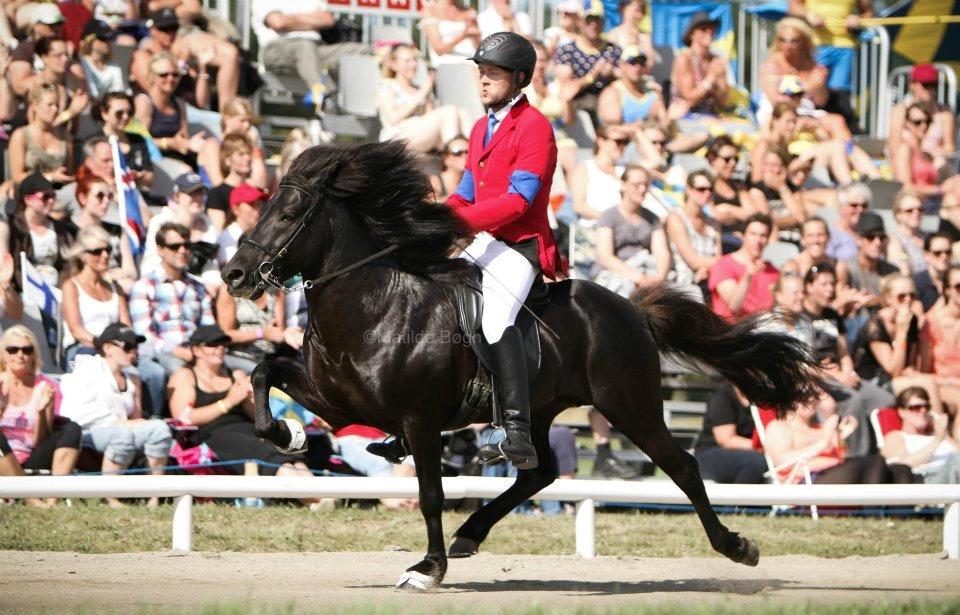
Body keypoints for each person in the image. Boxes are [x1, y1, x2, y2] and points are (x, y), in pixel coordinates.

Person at [443, 32, 559, 469]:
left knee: (494, 320)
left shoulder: (535, 127)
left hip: (521, 246)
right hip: (485, 239)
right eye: (481, 73)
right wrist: (436, 217)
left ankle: (517, 431)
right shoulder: (479, 128)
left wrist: (459, 222)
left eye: (493, 74)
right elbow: (466, 191)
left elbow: (518, 202)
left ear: (520, 78)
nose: (484, 82)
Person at [167, 325, 317, 480]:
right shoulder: (185, 376)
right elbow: (184, 418)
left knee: (288, 452)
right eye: (213, 344)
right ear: (196, 350)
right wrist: (228, 402)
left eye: (223, 344)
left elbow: (257, 416)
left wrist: (251, 399)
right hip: (214, 434)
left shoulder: (236, 374)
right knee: (267, 455)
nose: (220, 348)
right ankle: (314, 498)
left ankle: (321, 497)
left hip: (247, 428)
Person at [59, 323, 173, 507]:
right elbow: (79, 413)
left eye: (135, 347)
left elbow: (135, 418)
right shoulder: (87, 368)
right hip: (88, 433)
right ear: (107, 348)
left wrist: (128, 424)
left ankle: (154, 497)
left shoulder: (133, 377)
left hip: (120, 430)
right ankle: (110, 498)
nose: (132, 352)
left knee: (159, 429)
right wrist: (120, 423)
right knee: (123, 434)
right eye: (127, 346)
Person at [129, 222, 215, 417]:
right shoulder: (145, 286)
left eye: (187, 246)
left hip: (196, 351)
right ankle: (174, 425)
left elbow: (208, 329)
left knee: (238, 368)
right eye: (175, 246)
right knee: (181, 370)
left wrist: (203, 349)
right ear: (160, 250)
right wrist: (178, 351)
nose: (182, 251)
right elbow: (145, 336)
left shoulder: (197, 286)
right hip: (160, 352)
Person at [0, 326, 81, 503]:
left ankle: (52, 501)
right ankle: (32, 500)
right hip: (3, 458)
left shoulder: (45, 386)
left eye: (26, 350)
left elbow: (38, 440)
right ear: (3, 354)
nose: (20, 355)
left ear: (33, 355)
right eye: (13, 349)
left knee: (72, 428)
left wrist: (43, 411)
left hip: (30, 456)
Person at [252, 0, 370, 113]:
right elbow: (278, 23)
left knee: (364, 51)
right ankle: (328, 100)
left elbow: (328, 20)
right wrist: (311, 21)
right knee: (304, 46)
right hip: (276, 49)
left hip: (315, 50)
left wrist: (291, 18)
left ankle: (376, 107)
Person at [852, 275, 943, 406]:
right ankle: (938, 424)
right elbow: (893, 369)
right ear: (888, 299)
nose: (908, 300)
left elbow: (909, 363)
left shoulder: (912, 320)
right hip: (874, 381)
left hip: (899, 378)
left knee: (928, 382)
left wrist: (910, 369)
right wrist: (901, 331)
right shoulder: (875, 325)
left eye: (912, 295)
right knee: (927, 382)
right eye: (901, 296)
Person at [763, 394, 892, 484]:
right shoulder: (779, 426)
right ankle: (873, 515)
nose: (811, 399)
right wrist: (823, 442)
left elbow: (844, 457)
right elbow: (782, 461)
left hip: (836, 473)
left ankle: (897, 518)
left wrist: (840, 437)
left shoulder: (821, 428)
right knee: (875, 461)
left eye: (814, 395)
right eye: (804, 396)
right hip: (806, 481)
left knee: (899, 469)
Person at [376, 43, 474, 153]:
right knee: (449, 111)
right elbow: (393, 119)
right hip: (396, 139)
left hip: (420, 135)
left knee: (462, 113)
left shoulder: (420, 88)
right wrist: (422, 93)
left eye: (415, 60)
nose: (413, 65)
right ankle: (455, 157)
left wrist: (427, 95)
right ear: (394, 65)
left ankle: (475, 156)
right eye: (407, 61)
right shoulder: (387, 86)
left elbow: (431, 118)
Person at [61, 226, 133, 369]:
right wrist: (103, 344)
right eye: (97, 251)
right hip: (83, 347)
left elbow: (126, 325)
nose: (105, 255)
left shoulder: (115, 288)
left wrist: (117, 346)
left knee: (153, 373)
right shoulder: (71, 286)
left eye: (108, 250)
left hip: (115, 349)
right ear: (82, 255)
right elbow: (76, 330)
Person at [593, 165, 670, 297]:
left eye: (646, 184)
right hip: (618, 272)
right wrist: (637, 277)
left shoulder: (652, 219)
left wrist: (659, 278)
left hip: (647, 271)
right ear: (623, 185)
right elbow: (605, 256)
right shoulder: (608, 216)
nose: (643, 189)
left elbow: (662, 253)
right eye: (637, 185)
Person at [836, 211, 900, 343]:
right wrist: (852, 300)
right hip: (855, 333)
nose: (877, 243)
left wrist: (878, 301)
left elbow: (901, 302)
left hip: (887, 330)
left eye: (881, 237)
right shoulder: (846, 267)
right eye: (871, 237)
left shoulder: (892, 271)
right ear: (859, 239)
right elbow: (839, 308)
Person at [788, 0, 872, 96]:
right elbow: (793, 6)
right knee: (811, 90)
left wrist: (858, 19)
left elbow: (868, 12)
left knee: (839, 93)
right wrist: (808, 15)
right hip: (814, 45)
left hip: (845, 47)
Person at [134, 52, 204, 167]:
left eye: (175, 74)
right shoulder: (144, 102)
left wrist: (190, 144)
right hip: (157, 162)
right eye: (164, 75)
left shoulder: (179, 103)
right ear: (152, 76)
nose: (170, 79)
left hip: (180, 159)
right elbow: (139, 142)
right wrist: (168, 143)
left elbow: (183, 138)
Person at [8, 173, 76, 288]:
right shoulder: (14, 228)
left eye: (53, 196)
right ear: (28, 199)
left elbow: (67, 265)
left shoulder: (60, 229)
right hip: (26, 293)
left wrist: (62, 290)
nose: (50, 201)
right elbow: (16, 267)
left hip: (56, 292)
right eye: (45, 197)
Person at [708, 213, 780, 321]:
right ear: (743, 236)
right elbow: (734, 307)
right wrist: (747, 276)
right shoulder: (723, 265)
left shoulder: (773, 271)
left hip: (767, 329)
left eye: (763, 235)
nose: (758, 240)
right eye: (753, 234)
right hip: (733, 331)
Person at [880, 386, 960, 483]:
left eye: (926, 407)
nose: (923, 411)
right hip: (927, 480)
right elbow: (901, 467)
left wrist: (945, 435)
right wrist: (938, 439)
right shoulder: (896, 437)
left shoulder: (940, 435)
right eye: (915, 408)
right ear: (902, 412)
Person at [693, 383, 767, 484]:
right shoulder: (722, 396)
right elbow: (726, 440)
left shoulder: (765, 397)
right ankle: (739, 499)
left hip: (753, 452)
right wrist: (765, 447)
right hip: (711, 453)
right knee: (756, 462)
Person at [553, 8, 621, 117]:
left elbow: (626, 78)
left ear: (603, 24)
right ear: (580, 23)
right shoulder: (567, 50)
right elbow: (567, 87)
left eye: (597, 21)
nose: (593, 25)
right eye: (589, 21)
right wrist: (592, 76)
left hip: (609, 101)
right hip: (578, 103)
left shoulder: (614, 49)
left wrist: (612, 74)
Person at [888, 64, 957, 168]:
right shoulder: (899, 111)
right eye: (925, 84)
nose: (930, 89)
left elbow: (950, 148)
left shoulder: (945, 113)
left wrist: (933, 157)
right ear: (912, 84)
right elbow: (894, 147)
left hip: (935, 167)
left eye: (933, 84)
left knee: (941, 163)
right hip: (908, 166)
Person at [666, 171, 721, 300]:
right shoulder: (676, 218)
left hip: (709, 277)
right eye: (701, 189)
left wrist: (707, 269)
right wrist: (714, 264)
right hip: (682, 282)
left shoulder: (713, 222)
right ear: (688, 190)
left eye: (710, 189)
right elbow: (692, 260)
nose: (707, 193)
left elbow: (718, 258)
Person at [8, 81, 74, 185]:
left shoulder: (65, 136)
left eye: (57, 105)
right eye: (50, 105)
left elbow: (69, 173)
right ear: (35, 106)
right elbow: (17, 176)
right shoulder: (21, 135)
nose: (55, 109)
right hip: (30, 192)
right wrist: (50, 177)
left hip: (59, 192)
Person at [196, 98, 268, 192]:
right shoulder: (212, 145)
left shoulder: (249, 149)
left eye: (249, 121)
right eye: (242, 120)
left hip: (240, 201)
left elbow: (260, 184)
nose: (247, 126)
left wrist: (254, 147)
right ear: (227, 119)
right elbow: (218, 186)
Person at [893, 103, 960, 202]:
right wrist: (940, 189)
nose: (923, 126)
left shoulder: (926, 154)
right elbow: (905, 187)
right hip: (915, 206)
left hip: (932, 204)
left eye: (927, 121)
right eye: (917, 122)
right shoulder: (905, 149)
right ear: (907, 123)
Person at [669, 12, 729, 118]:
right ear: (691, 34)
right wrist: (710, 79)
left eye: (712, 28)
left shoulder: (716, 61)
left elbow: (723, 103)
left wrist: (717, 86)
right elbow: (689, 100)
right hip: (685, 116)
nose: (709, 31)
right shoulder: (684, 59)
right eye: (703, 28)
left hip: (711, 117)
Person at [919, 266, 960, 421]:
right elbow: (923, 372)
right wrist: (952, 381)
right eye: (959, 287)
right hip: (943, 386)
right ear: (947, 290)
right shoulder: (932, 324)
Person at [93, 92, 155, 191]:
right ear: (104, 113)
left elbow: (150, 176)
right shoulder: (94, 143)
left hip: (137, 195)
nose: (125, 117)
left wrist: (139, 177)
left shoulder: (138, 140)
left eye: (129, 112)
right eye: (119, 113)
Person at [705, 136, 755, 253]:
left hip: (744, 244)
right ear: (712, 159)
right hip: (719, 244)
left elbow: (753, 216)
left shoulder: (739, 186)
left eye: (735, 159)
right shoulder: (706, 186)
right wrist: (739, 213)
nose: (732, 163)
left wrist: (729, 210)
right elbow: (713, 216)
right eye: (727, 159)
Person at [569, 124, 628, 223]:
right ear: (601, 141)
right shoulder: (585, 168)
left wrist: (637, 131)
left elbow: (655, 162)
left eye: (625, 142)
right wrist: (610, 220)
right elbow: (579, 206)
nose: (622, 146)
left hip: (623, 228)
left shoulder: (624, 169)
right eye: (618, 141)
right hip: (594, 227)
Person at [597, 45, 666, 128]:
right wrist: (647, 121)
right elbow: (612, 130)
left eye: (641, 63)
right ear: (622, 65)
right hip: (628, 140)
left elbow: (665, 125)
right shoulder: (612, 93)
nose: (638, 67)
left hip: (653, 138)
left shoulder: (653, 93)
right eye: (632, 62)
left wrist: (670, 117)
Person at [203, 134, 261, 232]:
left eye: (248, 153)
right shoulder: (217, 194)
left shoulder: (255, 191)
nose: (247, 158)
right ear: (227, 160)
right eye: (241, 154)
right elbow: (219, 230)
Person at [419, 0, 480, 67]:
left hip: (472, 63)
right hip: (445, 65)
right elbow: (438, 50)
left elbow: (478, 48)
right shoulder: (430, 11)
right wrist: (463, 35)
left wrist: (475, 36)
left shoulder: (469, 11)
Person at [887, 190, 929, 275]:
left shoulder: (928, 236)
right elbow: (903, 272)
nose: (916, 213)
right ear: (898, 215)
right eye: (909, 211)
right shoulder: (894, 240)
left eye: (920, 209)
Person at [827, 182, 872, 261]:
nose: (860, 210)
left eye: (864, 205)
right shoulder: (830, 235)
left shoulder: (873, 234)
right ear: (841, 207)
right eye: (854, 205)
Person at [77, 19, 123, 97]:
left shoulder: (114, 67)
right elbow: (91, 95)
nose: (108, 42)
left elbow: (119, 94)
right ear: (90, 40)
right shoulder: (81, 63)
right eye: (103, 39)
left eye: (110, 38)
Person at [913, 234, 954, 312]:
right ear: (926, 255)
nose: (944, 256)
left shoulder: (956, 281)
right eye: (937, 253)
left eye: (948, 252)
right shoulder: (916, 283)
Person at [430, 136, 469, 201]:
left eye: (468, 152)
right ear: (446, 158)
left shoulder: (475, 182)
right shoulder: (434, 182)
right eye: (457, 153)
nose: (464, 156)